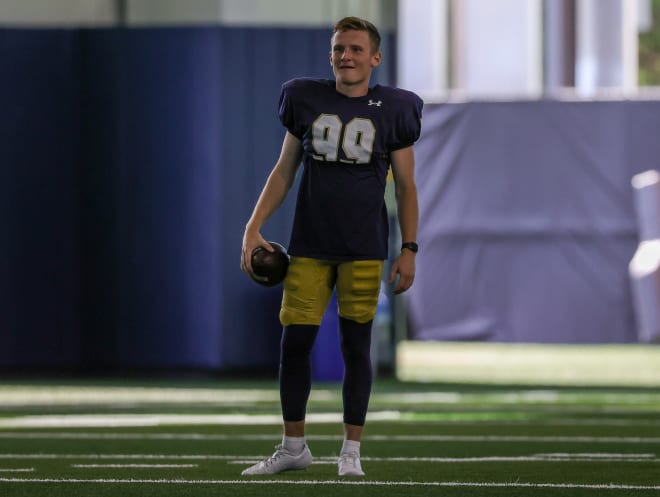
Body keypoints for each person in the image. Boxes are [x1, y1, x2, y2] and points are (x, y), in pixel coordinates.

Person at [240, 16, 423, 477]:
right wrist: (253, 225)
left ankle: (351, 451)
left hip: (364, 246)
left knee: (355, 347)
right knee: (295, 344)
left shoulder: (394, 109)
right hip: (309, 244)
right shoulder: (306, 99)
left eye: (357, 49)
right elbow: (284, 170)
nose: (347, 56)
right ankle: (294, 446)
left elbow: (405, 186)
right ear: (331, 54)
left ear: (375, 58)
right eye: (340, 48)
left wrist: (410, 248)